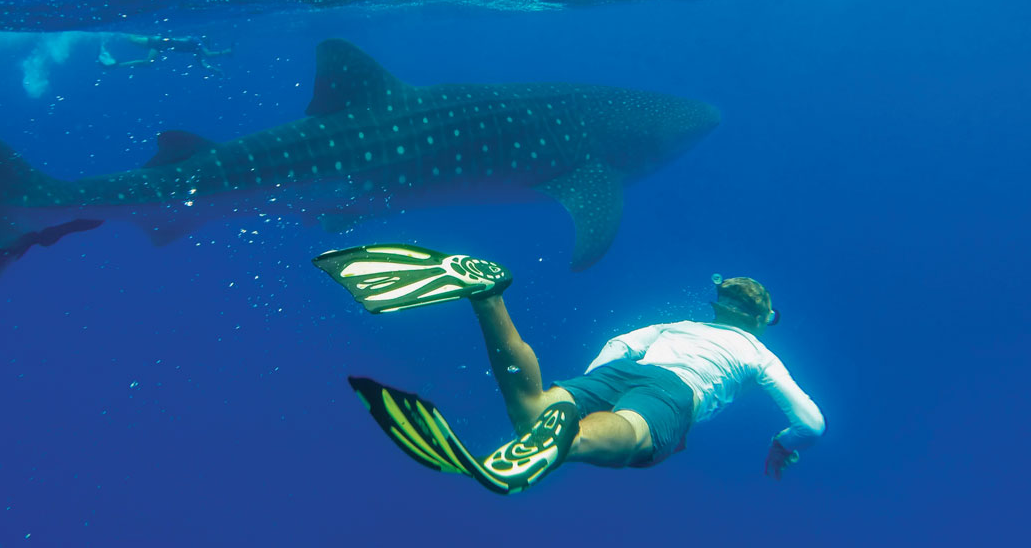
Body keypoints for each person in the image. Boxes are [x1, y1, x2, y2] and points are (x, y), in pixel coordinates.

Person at [313, 243, 825, 495]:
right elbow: (811, 421)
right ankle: (570, 440)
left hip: (620, 372)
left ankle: (488, 298)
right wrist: (784, 443)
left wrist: (587, 389)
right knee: (631, 443)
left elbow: (619, 343)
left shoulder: (678, 324)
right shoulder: (759, 353)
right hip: (675, 391)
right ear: (760, 320)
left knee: (532, 412)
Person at [97, 33, 233, 74]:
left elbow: (202, 62)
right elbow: (208, 55)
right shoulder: (197, 41)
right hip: (161, 42)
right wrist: (225, 52)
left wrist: (212, 69)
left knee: (147, 62)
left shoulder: (196, 48)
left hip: (161, 45)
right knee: (129, 38)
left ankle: (116, 64)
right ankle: (105, 40)